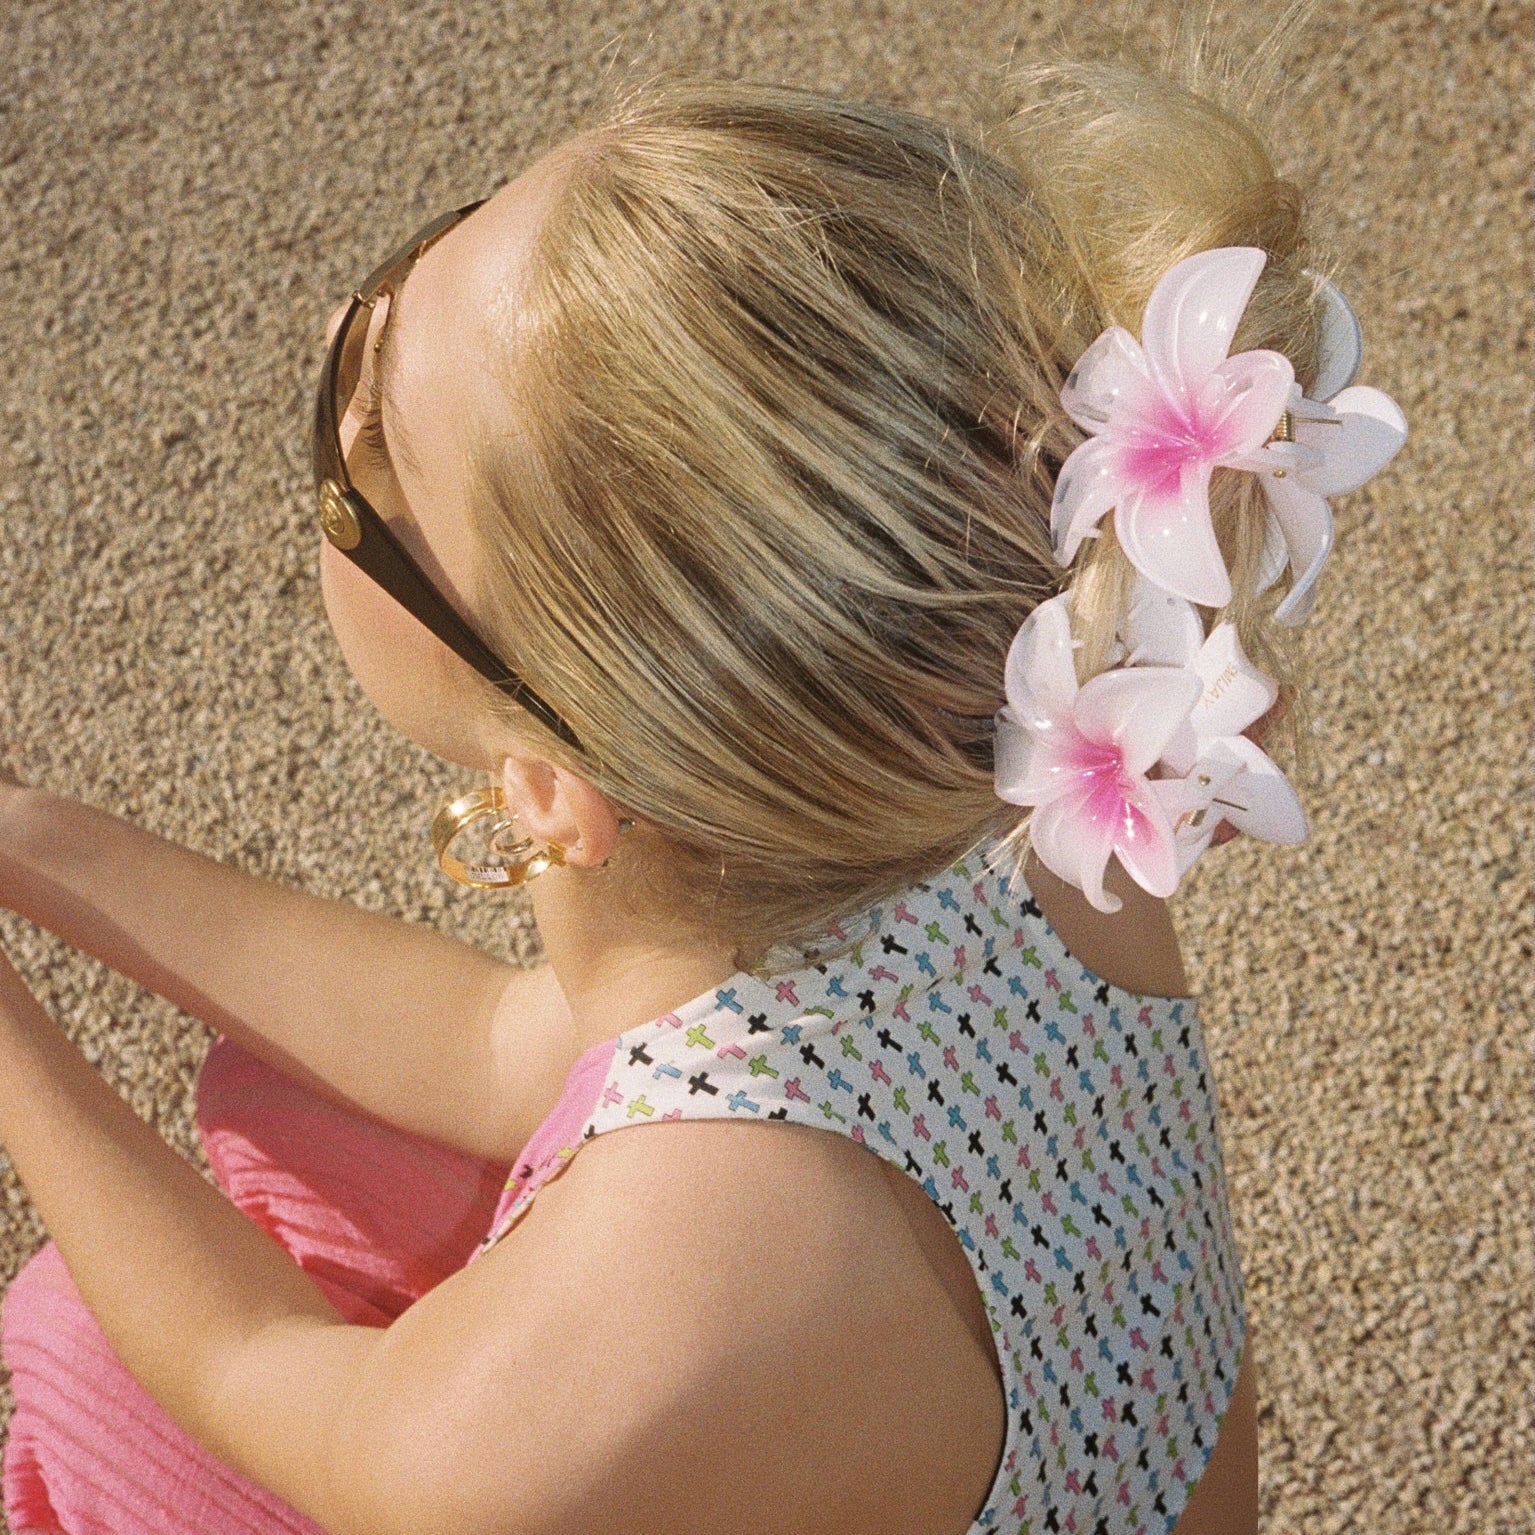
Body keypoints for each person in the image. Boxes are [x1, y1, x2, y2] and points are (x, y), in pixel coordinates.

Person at [0, 10, 1405, 1534]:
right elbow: (501, 1043)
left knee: (85, 1350)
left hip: (651, 1391)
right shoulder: (1028, 786)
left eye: (372, 455)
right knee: (302, 1104)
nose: (353, 369)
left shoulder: (643, 1321)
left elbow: (258, 1370)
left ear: (552, 785)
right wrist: (29, 838)